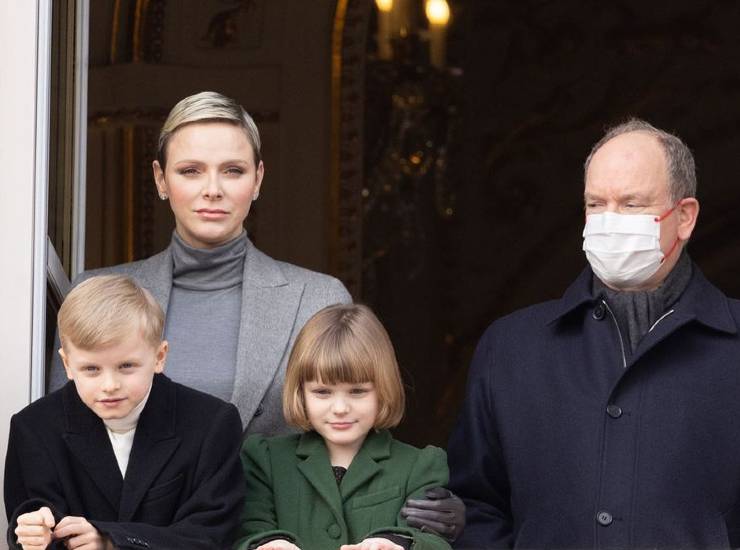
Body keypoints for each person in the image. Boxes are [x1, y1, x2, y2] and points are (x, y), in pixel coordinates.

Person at [49, 91, 464, 540]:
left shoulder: (318, 298)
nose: (213, 189)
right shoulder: (94, 293)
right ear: (160, 179)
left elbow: (355, 438)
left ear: (259, 179)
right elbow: (62, 437)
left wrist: (426, 505)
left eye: (233, 170)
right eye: (191, 171)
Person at [448, 119, 740, 549]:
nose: (609, 221)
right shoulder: (512, 348)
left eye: (632, 204)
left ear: (684, 217)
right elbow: (473, 505)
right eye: (596, 204)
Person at [5, 275, 244, 550]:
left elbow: (212, 532)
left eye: (126, 366)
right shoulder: (33, 428)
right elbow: (32, 513)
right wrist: (36, 534)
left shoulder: (212, 423)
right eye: (91, 369)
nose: (110, 385)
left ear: (159, 357)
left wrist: (112, 540)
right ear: (67, 364)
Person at [234, 304, 452, 550]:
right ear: (301, 393)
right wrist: (266, 545)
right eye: (322, 392)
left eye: (357, 391)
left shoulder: (420, 465)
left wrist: (396, 544)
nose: (339, 407)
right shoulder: (265, 459)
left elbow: (435, 540)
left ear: (384, 389)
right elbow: (247, 529)